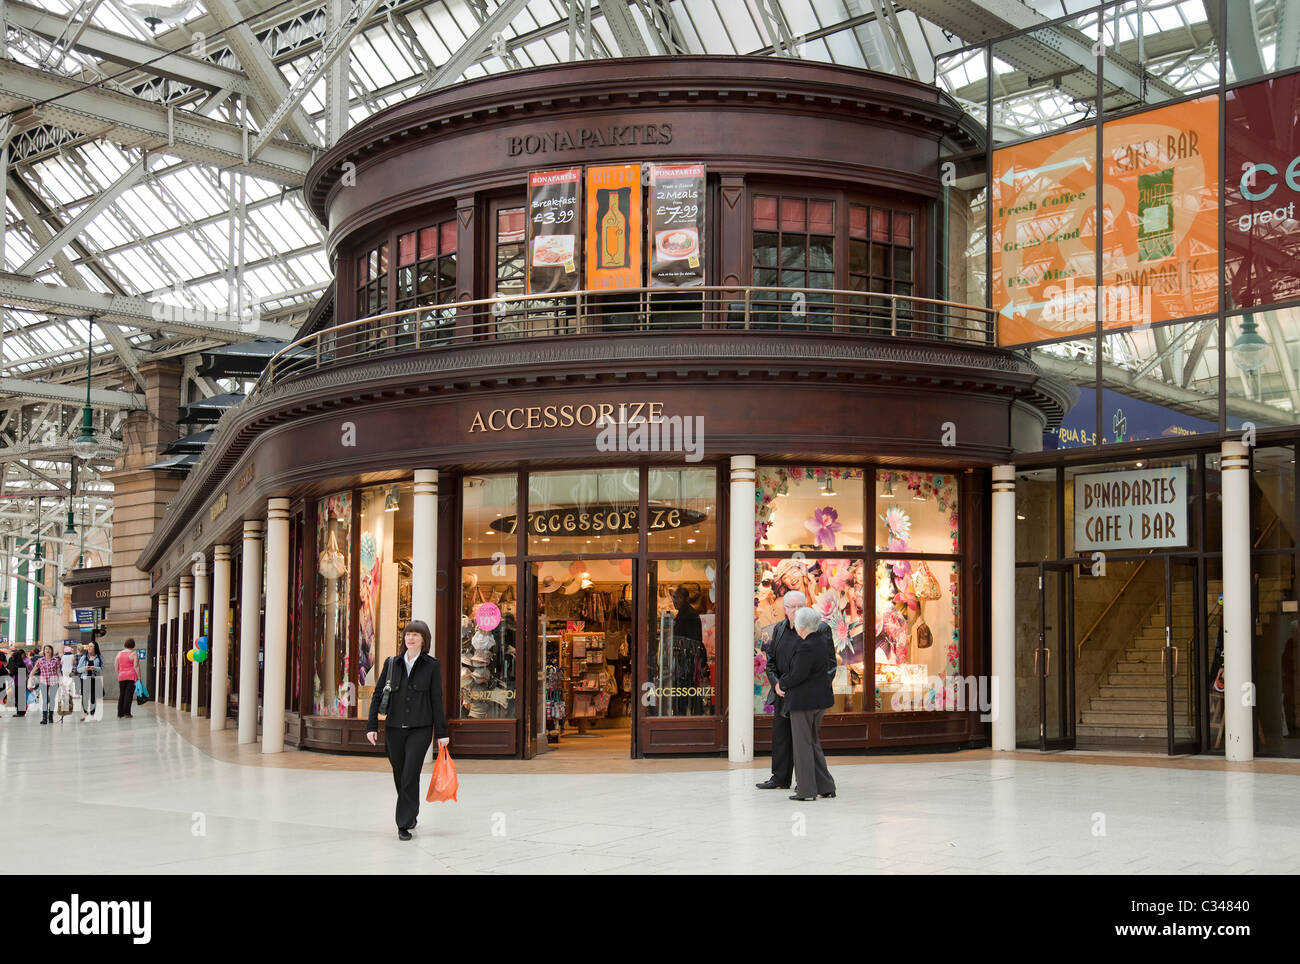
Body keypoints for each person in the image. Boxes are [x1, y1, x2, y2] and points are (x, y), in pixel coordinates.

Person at [365, 620, 449, 840]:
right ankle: (411, 813)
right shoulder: (392, 663)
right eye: (407, 635)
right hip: (393, 728)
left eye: (415, 635)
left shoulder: (432, 665)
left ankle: (402, 824)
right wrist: (371, 725)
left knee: (411, 773)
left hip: (420, 729)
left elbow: (436, 700)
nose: (410, 639)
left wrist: (441, 733)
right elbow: (377, 695)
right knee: (399, 774)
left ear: (424, 640)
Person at [778, 607, 836, 802]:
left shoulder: (806, 646)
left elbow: (797, 675)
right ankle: (826, 785)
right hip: (819, 701)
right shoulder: (820, 641)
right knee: (812, 742)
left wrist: (781, 683)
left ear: (801, 626)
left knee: (802, 745)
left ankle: (806, 790)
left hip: (804, 703)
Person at [756, 590, 806, 791]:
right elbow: (771, 663)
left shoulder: (817, 629)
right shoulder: (779, 630)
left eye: (798, 606)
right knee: (781, 737)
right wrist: (776, 684)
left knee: (803, 739)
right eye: (790, 607)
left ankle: (805, 780)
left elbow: (827, 665)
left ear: (805, 607)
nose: (794, 611)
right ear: (784, 609)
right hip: (782, 692)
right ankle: (779, 777)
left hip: (804, 694)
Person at [32, 645, 61, 725]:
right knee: (45, 700)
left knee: (52, 699)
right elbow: (34, 669)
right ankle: (44, 718)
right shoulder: (40, 660)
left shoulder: (55, 660)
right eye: (46, 649)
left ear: (52, 651)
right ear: (44, 651)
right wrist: (30, 678)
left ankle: (51, 717)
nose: (47, 650)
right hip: (43, 682)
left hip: (54, 681)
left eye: (49, 649)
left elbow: (58, 671)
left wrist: (61, 681)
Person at [116, 639, 139, 719]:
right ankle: (127, 713)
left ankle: (120, 713)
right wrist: (139, 677)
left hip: (121, 676)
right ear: (133, 645)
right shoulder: (134, 653)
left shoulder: (119, 653)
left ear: (125, 644)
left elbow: (116, 665)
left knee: (122, 694)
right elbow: (136, 666)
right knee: (128, 695)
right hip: (131, 676)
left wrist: (119, 673)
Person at [8, 650, 27, 717]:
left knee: (19, 697)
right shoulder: (22, 663)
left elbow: (12, 673)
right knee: (21, 697)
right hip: (22, 682)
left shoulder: (17, 665)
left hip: (18, 683)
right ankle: (21, 712)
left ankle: (20, 713)